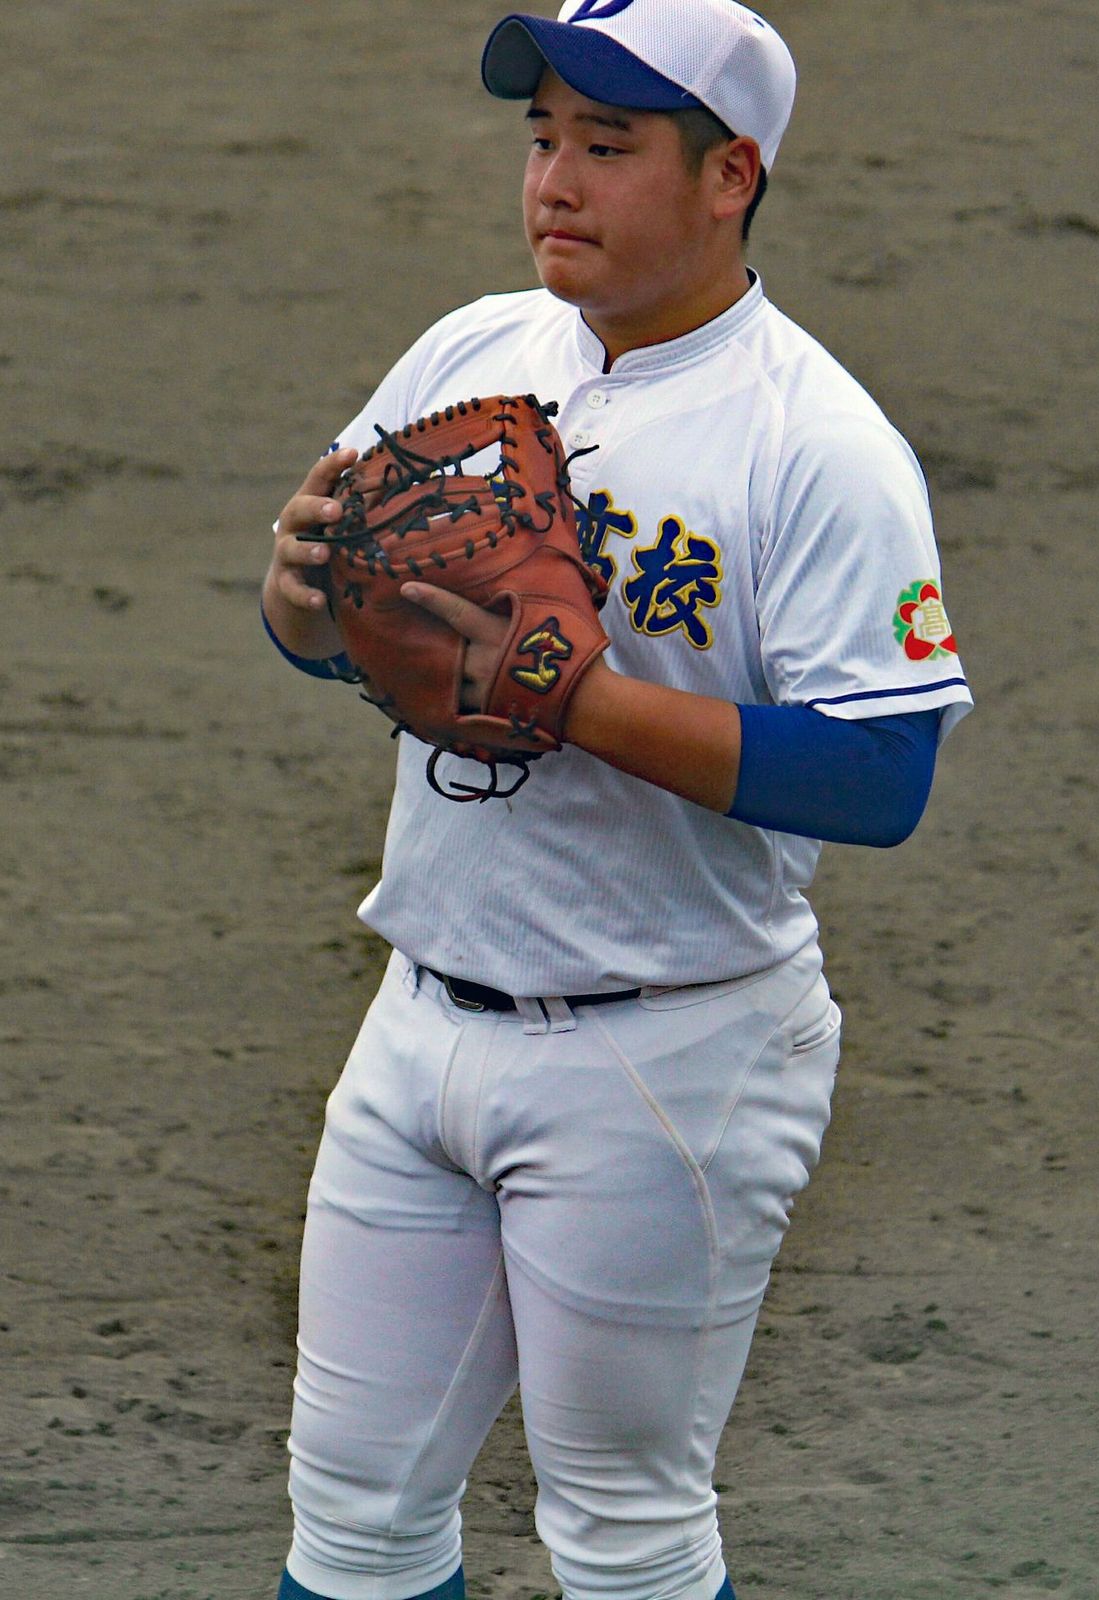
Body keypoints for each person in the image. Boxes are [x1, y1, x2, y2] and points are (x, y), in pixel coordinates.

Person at [260, 3, 972, 1598]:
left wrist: (575, 701)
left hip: (667, 1054)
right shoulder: (470, 348)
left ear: (730, 176)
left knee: (625, 1531)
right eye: (541, 141)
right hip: (419, 1021)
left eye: (607, 145)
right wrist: (302, 601)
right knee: (355, 1524)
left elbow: (882, 772)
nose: (554, 183)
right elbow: (339, 636)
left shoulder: (817, 443)